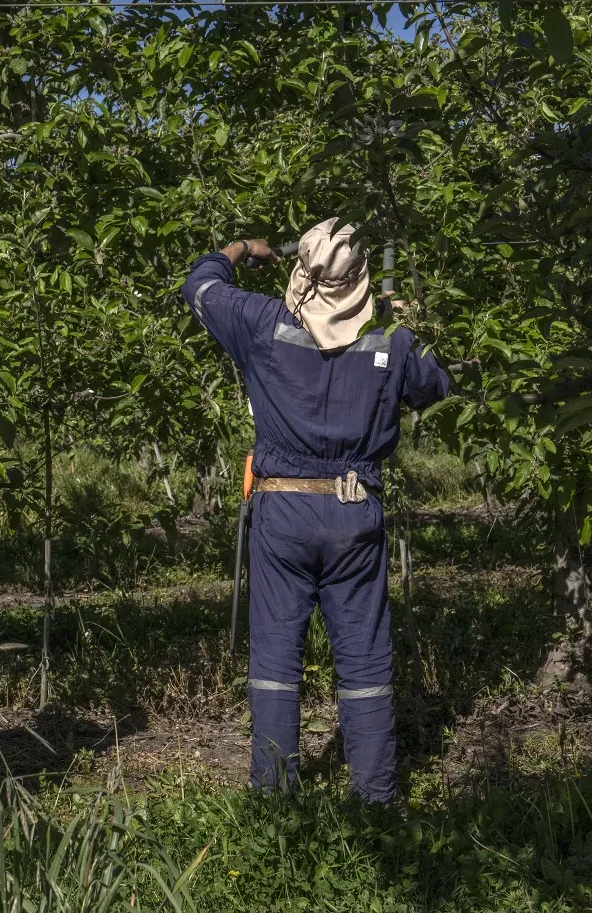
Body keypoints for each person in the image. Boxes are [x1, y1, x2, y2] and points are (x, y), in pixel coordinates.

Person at [183, 218, 450, 803]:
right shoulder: (392, 337)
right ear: (361, 285)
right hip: (355, 510)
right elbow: (436, 385)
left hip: (282, 508)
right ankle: (376, 802)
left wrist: (239, 250)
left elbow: (199, 285)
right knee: (365, 664)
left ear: (302, 274)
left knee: (276, 662)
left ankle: (276, 800)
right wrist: (405, 312)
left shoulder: (261, 324)